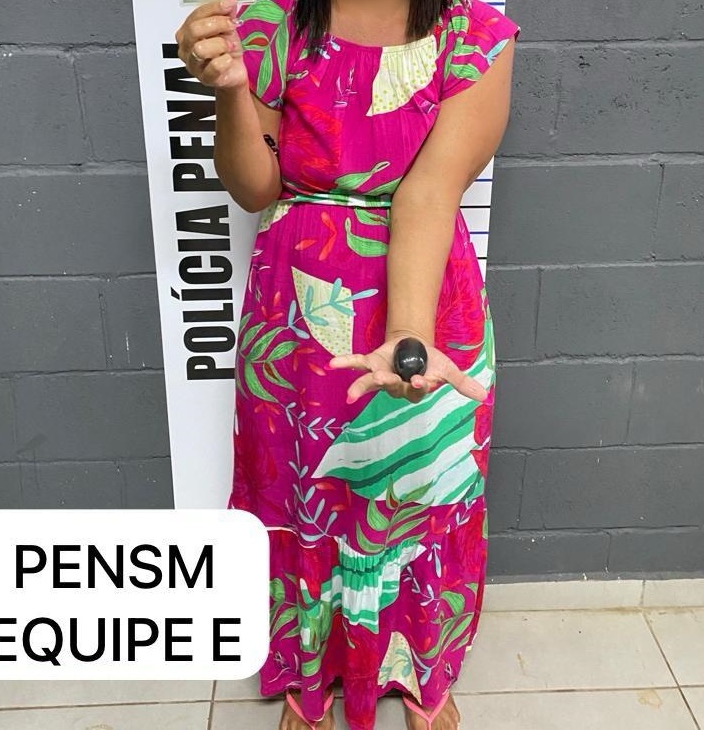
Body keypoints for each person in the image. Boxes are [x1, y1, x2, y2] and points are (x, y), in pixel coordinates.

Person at [175, 0, 520, 727]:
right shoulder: (269, 23)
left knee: (422, 494)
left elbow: (429, 191)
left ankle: (420, 668)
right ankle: (311, 678)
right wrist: (230, 90)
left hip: (426, 300)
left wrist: (408, 337)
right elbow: (255, 187)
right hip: (299, 309)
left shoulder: (476, 37)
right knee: (307, 492)